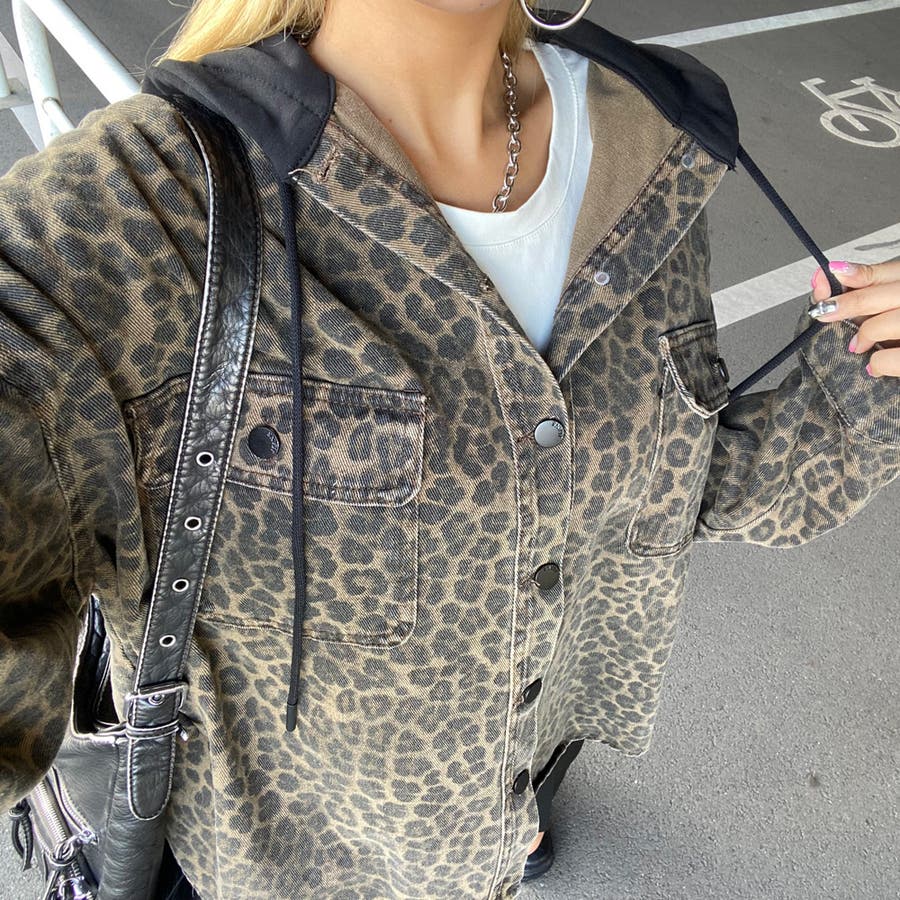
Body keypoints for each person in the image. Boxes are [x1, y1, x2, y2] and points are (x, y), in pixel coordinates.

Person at [1, 0, 898, 896]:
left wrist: (875, 367)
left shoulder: (652, 140)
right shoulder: (124, 224)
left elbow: (687, 484)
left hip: (530, 768)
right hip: (294, 868)